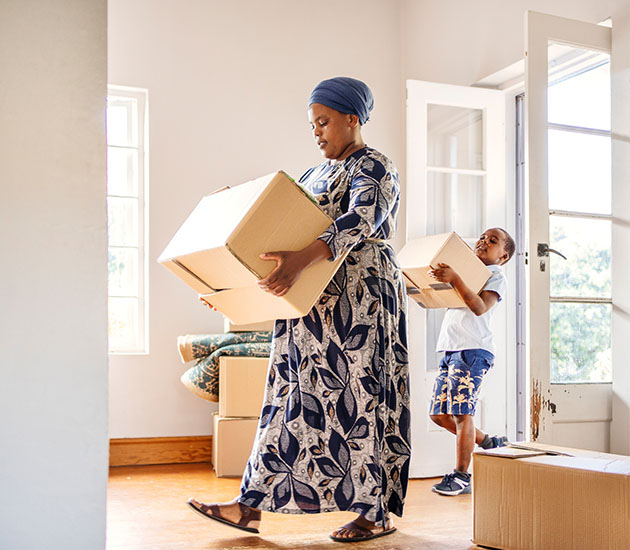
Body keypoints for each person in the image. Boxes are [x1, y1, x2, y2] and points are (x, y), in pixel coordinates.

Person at [187, 77, 410, 542]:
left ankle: (374, 513)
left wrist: (300, 261)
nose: (317, 132)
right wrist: (229, 288)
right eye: (312, 125)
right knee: (288, 401)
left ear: (354, 118)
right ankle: (249, 507)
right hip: (308, 305)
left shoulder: (375, 167)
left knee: (361, 401)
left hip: (361, 307)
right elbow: (277, 238)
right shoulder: (310, 177)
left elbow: (359, 221)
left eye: (324, 122)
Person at [427, 227, 515, 496]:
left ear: (503, 257)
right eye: (482, 237)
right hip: (450, 350)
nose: (483, 242)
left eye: (493, 241)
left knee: (462, 413)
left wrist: (455, 279)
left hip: (473, 351)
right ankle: (489, 440)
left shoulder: (496, 276)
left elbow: (479, 307)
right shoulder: (469, 275)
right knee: (438, 415)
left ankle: (462, 476)